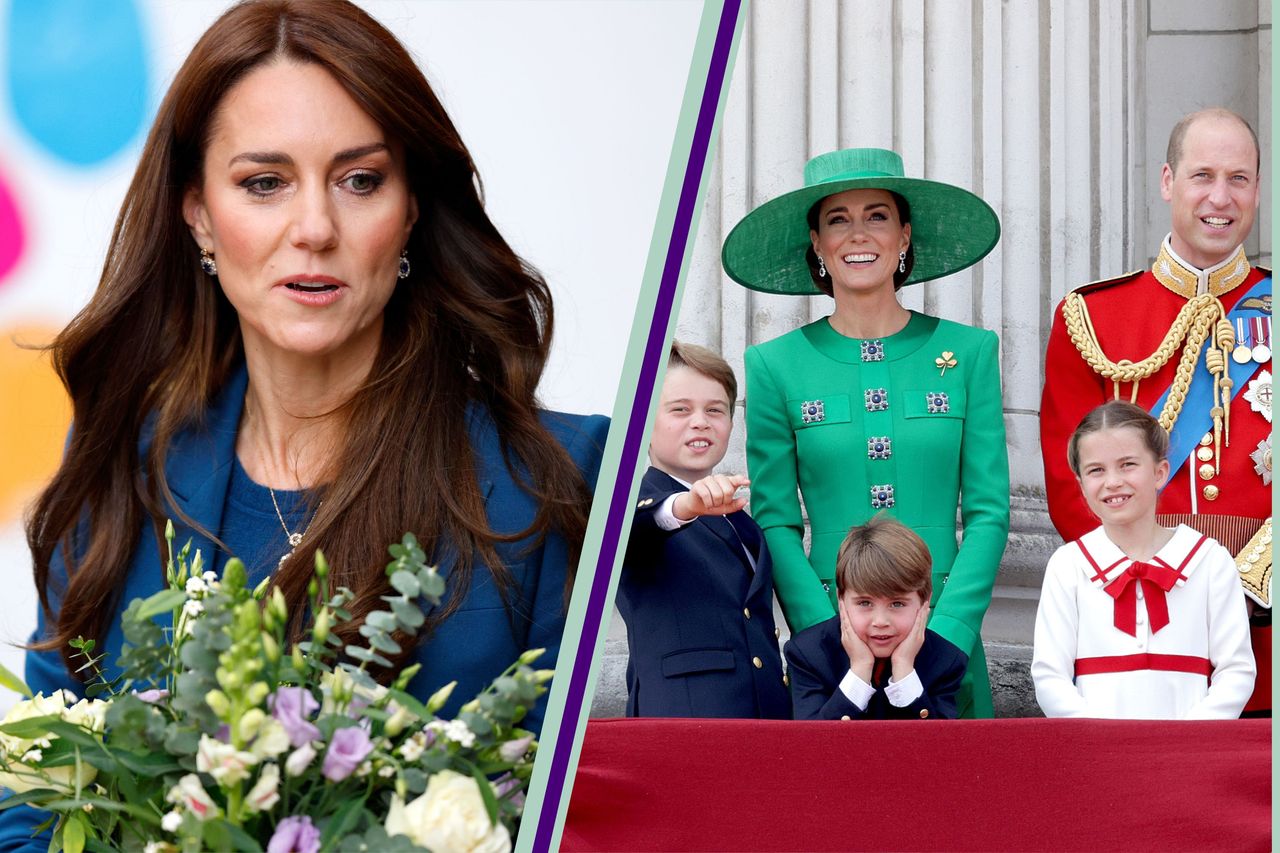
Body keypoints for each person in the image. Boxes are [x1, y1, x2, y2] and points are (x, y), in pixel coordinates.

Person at [3, 0, 605, 830]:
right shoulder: (119, 461)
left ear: (413, 208)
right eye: (264, 183)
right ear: (199, 213)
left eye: (361, 180)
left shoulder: (557, 478)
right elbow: (36, 796)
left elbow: (579, 814)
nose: (315, 228)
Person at [723, 147, 1009, 718]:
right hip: (833, 644)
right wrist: (824, 631)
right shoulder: (773, 364)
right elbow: (775, 518)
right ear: (817, 242)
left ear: (904, 234)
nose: (860, 234)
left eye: (877, 215)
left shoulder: (971, 352)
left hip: (944, 630)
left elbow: (989, 511)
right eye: (838, 219)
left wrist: (948, 627)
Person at [1038, 107, 1270, 714]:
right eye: (1202, 176)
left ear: (1258, 188)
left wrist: (1244, 587)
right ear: (1168, 181)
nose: (1220, 197)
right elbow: (1071, 482)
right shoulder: (1090, 318)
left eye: (1239, 178)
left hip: (1267, 633)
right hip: (1135, 636)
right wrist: (1148, 587)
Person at [1032, 402, 1254, 718]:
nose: (1112, 482)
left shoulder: (1210, 561)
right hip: (1098, 754)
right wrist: (1097, 738)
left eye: (1128, 464)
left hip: (1191, 752)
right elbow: (1049, 675)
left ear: (1159, 472)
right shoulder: (1068, 566)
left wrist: (1192, 739)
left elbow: (1237, 669)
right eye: (1096, 470)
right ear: (1081, 485)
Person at [616, 342, 790, 718]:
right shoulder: (638, 507)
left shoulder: (739, 518)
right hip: (683, 723)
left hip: (762, 721)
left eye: (716, 410)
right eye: (680, 409)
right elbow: (631, 530)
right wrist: (685, 506)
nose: (700, 421)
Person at [785, 516, 967, 721]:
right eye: (865, 603)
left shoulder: (945, 660)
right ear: (841, 599)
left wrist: (904, 670)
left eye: (897, 604)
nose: (880, 621)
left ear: (924, 601)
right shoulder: (809, 654)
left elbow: (938, 747)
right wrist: (860, 669)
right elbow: (813, 745)